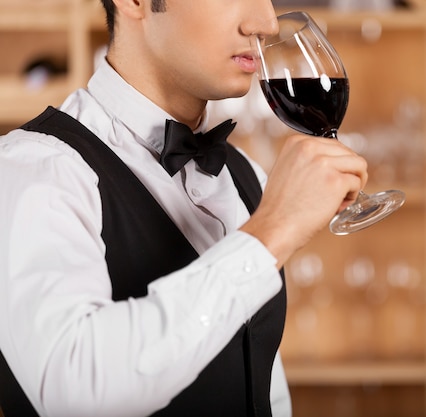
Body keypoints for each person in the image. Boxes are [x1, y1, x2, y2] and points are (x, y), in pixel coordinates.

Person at [0, 0, 368, 416]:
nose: (265, 23)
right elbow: (72, 391)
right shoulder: (35, 168)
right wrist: (271, 233)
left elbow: (262, 382)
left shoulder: (244, 172)